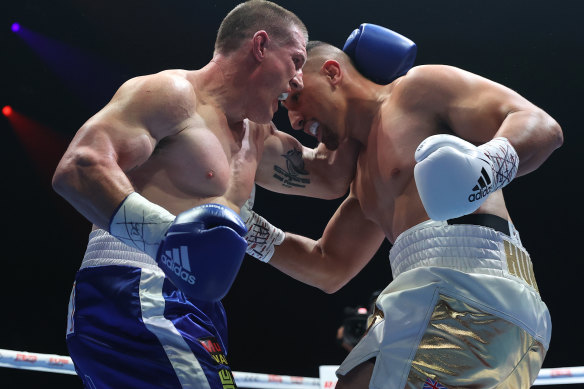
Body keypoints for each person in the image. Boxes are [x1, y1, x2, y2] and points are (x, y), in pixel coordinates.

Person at [52, 2, 360, 387]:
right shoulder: (173, 94)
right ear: (260, 45)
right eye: (295, 60)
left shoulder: (257, 137)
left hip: (197, 307)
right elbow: (79, 167)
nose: (298, 79)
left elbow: (333, 178)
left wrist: (359, 83)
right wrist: (167, 239)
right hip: (132, 288)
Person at [241, 25, 563, 388]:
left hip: (474, 290)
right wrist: (245, 228)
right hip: (438, 303)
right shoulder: (362, 181)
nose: (295, 119)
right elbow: (328, 265)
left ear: (332, 72)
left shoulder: (416, 90)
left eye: (295, 98)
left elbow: (541, 125)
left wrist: (483, 168)